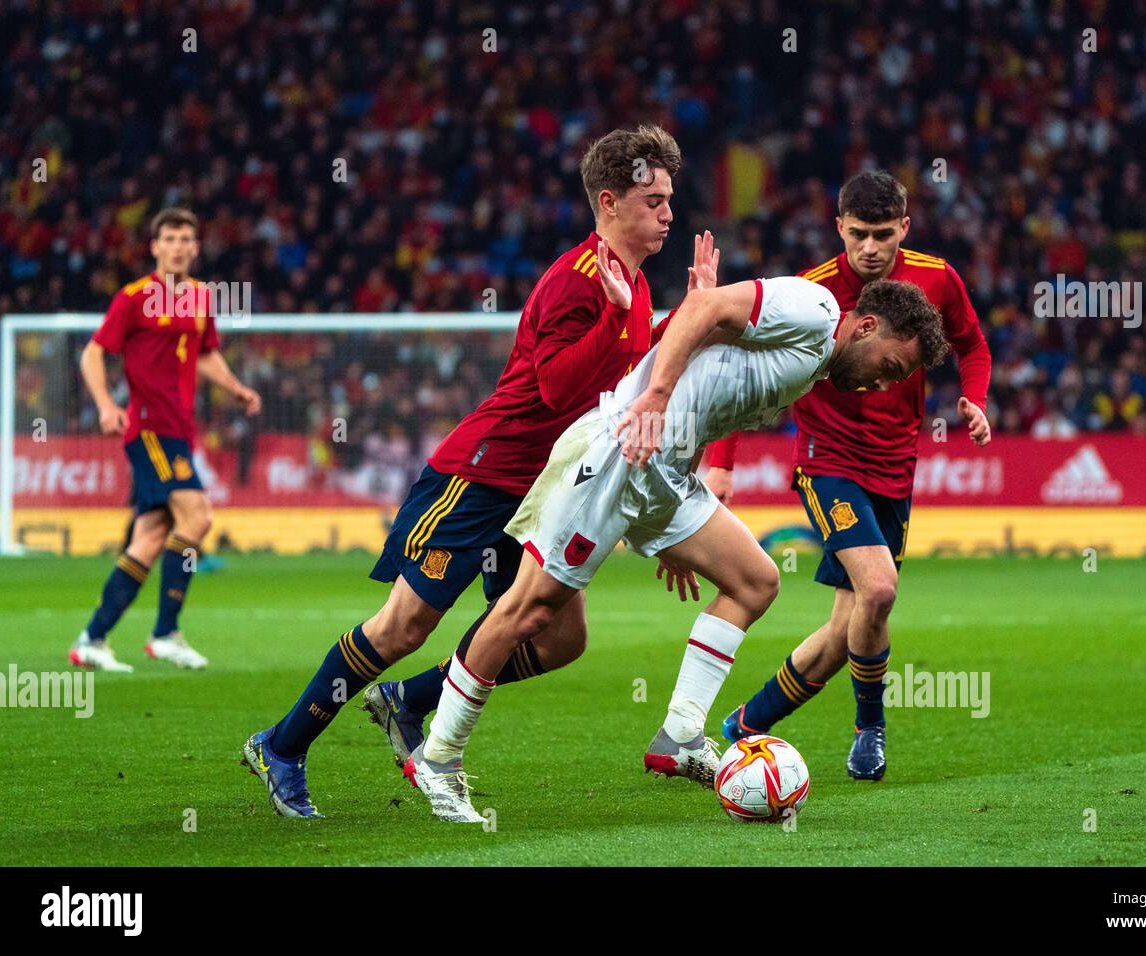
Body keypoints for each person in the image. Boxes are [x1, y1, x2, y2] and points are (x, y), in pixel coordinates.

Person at [241, 126, 711, 817]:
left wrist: (691, 315)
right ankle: (281, 746)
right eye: (653, 199)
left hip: (544, 487)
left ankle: (410, 699)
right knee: (403, 625)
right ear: (609, 202)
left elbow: (631, 379)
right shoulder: (576, 284)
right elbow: (555, 388)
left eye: (671, 198)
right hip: (482, 474)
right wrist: (612, 322)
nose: (669, 212)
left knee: (559, 637)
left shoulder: (634, 287)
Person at [408, 270, 950, 823]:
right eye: (889, 368)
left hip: (664, 475)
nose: (881, 386)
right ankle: (438, 757)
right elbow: (701, 312)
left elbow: (708, 385)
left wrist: (669, 523)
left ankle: (682, 734)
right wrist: (657, 395)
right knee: (528, 609)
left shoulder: (812, 364)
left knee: (755, 582)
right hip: (620, 451)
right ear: (864, 327)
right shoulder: (812, 308)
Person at [704, 171, 992, 781]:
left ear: (903, 230)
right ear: (839, 227)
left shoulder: (937, 278)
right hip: (827, 461)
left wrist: (976, 398)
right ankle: (870, 729)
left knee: (847, 627)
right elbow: (743, 363)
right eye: (858, 234)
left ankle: (746, 725)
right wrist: (722, 463)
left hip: (896, 468)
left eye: (882, 235)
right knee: (880, 589)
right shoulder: (809, 293)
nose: (869, 248)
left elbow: (973, 344)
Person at [71, 207, 261, 672]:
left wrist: (236, 388)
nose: (177, 246)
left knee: (151, 536)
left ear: (196, 248)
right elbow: (93, 354)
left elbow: (205, 355)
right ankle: (165, 633)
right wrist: (105, 405)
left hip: (180, 431)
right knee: (197, 516)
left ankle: (93, 638)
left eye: (185, 239)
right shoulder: (134, 298)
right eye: (169, 238)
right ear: (155, 247)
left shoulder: (200, 297)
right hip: (150, 429)